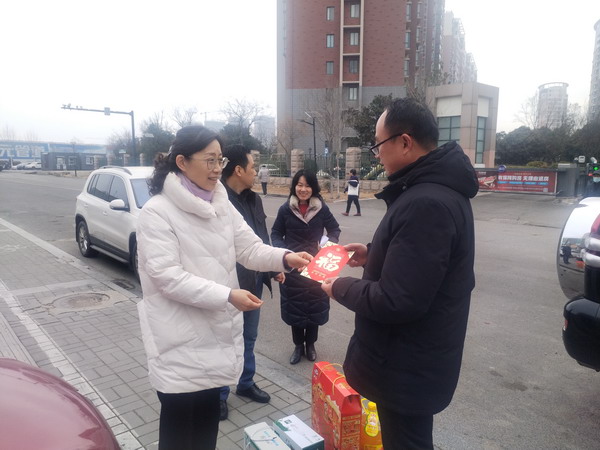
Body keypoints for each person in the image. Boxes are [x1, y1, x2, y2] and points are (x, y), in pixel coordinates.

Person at [136, 125, 311, 450]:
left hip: (213, 339)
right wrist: (228, 296)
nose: (218, 168)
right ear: (182, 162)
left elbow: (250, 248)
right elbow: (167, 277)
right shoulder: (157, 213)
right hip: (179, 342)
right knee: (179, 436)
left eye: (220, 159)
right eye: (210, 160)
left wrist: (285, 258)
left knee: (206, 432)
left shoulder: (221, 203)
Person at [321, 98, 478, 449]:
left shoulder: (427, 202)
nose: (377, 154)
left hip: (406, 367)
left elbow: (398, 299)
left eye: (379, 144)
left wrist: (338, 287)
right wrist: (374, 254)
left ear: (405, 142)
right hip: (413, 363)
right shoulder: (436, 191)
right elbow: (423, 266)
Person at [218, 144, 284, 421]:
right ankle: (220, 394)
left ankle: (245, 383)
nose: (256, 172)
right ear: (238, 170)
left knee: (249, 336)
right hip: (229, 286)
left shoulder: (254, 200)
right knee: (225, 339)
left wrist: (274, 268)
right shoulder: (218, 202)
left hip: (254, 281)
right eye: (253, 167)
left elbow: (261, 238)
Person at [271, 169, 341, 364]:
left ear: (313, 188)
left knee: (314, 308)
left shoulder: (321, 209)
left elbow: (334, 229)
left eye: (307, 185)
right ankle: (297, 346)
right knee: (295, 309)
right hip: (293, 268)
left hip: (316, 267)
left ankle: (310, 345)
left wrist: (327, 244)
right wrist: (285, 253)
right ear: (294, 186)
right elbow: (276, 233)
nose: (303, 189)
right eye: (299, 185)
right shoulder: (286, 209)